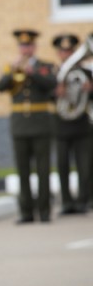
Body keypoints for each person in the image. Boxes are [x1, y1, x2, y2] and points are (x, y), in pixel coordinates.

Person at [0, 29, 57, 224]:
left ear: (34, 47)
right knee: (23, 172)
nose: (25, 48)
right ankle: (26, 212)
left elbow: (52, 85)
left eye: (28, 45)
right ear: (19, 48)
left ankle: (45, 211)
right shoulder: (11, 67)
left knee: (43, 170)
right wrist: (13, 70)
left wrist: (34, 73)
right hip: (20, 126)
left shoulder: (45, 67)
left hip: (41, 125)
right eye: (22, 45)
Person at [52, 33, 91, 215]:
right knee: (62, 166)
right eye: (63, 51)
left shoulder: (87, 73)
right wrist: (56, 93)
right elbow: (45, 95)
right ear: (58, 53)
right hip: (61, 127)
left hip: (82, 126)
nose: (66, 55)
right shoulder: (54, 73)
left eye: (69, 51)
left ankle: (84, 200)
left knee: (85, 166)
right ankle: (66, 202)